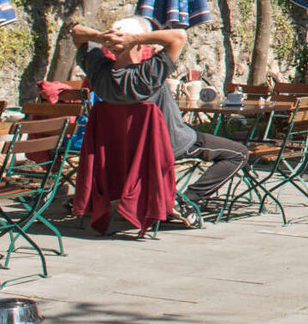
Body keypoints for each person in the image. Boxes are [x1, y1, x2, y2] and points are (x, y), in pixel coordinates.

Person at [69, 15, 247, 228]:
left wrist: (102, 37)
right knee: (239, 153)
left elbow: (76, 32)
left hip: (121, 152)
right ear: (137, 46)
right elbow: (178, 36)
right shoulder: (147, 76)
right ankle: (184, 200)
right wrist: (136, 38)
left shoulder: (99, 73)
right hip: (169, 145)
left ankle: (169, 199)